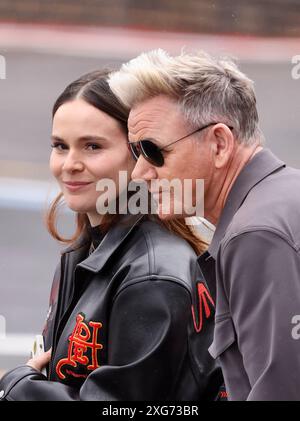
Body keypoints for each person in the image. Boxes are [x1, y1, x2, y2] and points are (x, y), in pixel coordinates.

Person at [0, 70, 222, 401]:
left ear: (138, 154)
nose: (70, 164)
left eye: (92, 146)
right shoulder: (89, 247)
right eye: (60, 146)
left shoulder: (152, 276)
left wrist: (19, 387)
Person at [108, 50, 300, 400]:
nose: (139, 172)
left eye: (153, 150)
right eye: (136, 152)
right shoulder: (279, 198)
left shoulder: (255, 234)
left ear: (219, 144)